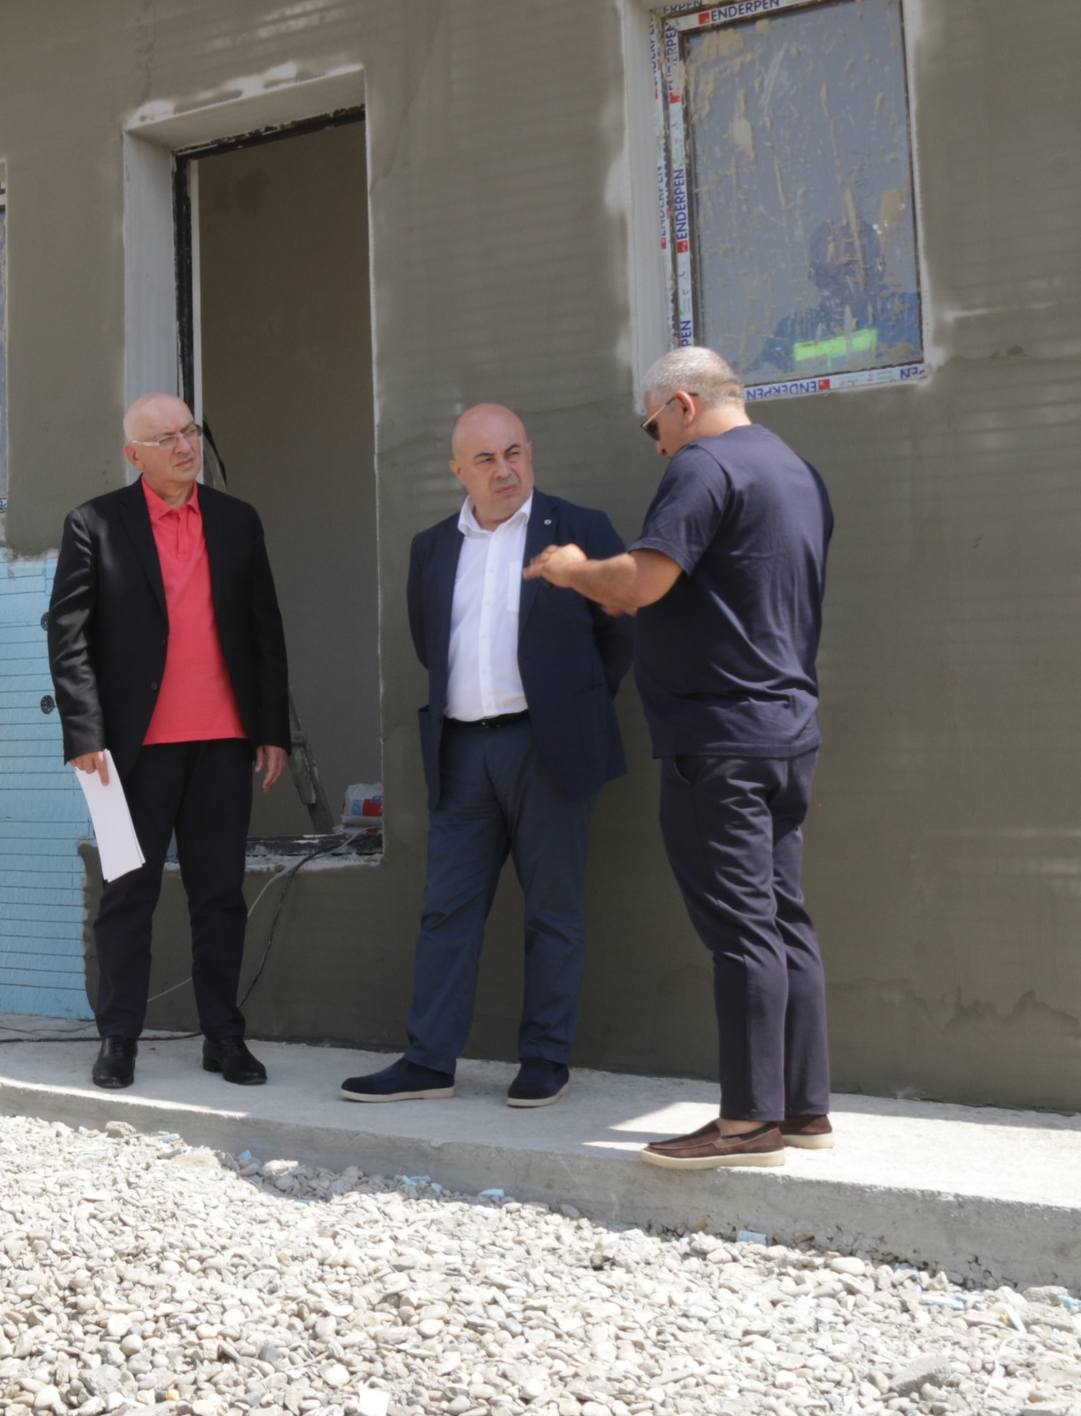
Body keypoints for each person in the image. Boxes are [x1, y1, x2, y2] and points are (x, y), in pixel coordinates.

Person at [526, 346, 835, 1171]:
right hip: (786, 729)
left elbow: (639, 583)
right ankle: (803, 1105)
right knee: (783, 916)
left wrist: (572, 570)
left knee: (742, 928)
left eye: (652, 425)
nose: (657, 443)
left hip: (718, 737)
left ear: (684, 405)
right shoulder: (796, 470)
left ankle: (747, 1123)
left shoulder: (703, 466)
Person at [340, 405, 632, 1109]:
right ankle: (429, 1060)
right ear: (458, 471)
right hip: (462, 751)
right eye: (485, 460)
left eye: (514, 453)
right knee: (447, 912)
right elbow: (429, 643)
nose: (504, 470)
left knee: (553, 911)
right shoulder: (432, 547)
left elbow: (620, 632)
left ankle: (545, 1058)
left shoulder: (579, 529)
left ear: (529, 453)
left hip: (549, 748)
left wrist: (572, 707)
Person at [47, 392, 290, 1091]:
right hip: (125, 754)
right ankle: (118, 1036)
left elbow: (265, 630)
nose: (185, 446)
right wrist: (85, 734)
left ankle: (224, 1036)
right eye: (166, 438)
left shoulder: (237, 520)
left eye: (190, 431)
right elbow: (68, 635)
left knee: (219, 895)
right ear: (135, 455)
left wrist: (272, 730)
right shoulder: (95, 523)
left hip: (223, 743)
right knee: (127, 893)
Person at [754, 217, 921, 379]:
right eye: (821, 274)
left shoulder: (911, 315)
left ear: (878, 268)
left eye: (847, 272)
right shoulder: (794, 331)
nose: (832, 286)